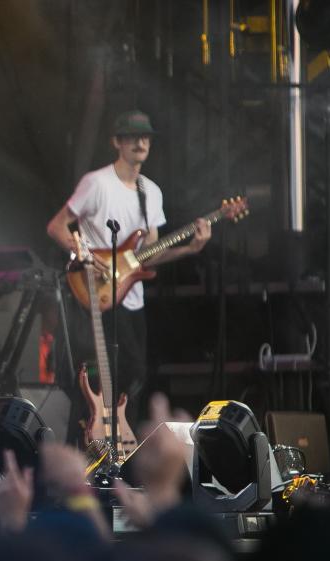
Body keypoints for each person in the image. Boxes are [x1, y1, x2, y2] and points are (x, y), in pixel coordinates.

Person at [46, 109, 211, 434]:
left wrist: (190, 249)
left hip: (131, 300)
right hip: (95, 293)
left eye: (145, 137)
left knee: (133, 379)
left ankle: (125, 458)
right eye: (133, 136)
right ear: (117, 142)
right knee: (91, 384)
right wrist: (82, 255)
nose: (140, 142)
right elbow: (56, 226)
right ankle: (83, 455)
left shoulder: (151, 192)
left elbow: (148, 255)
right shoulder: (96, 183)